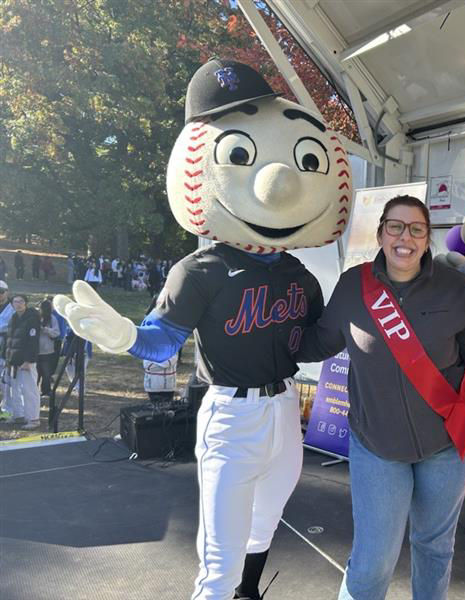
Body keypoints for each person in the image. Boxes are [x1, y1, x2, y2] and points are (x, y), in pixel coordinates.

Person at [54, 59, 356, 600]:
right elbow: (163, 339)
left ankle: (248, 593)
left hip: (285, 410)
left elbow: (309, 343)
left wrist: (355, 315)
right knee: (218, 557)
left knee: (265, 525)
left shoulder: (297, 272)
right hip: (231, 415)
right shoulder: (200, 268)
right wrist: (126, 337)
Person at [295, 195, 465, 600]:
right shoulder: (353, 285)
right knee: (373, 559)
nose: (406, 237)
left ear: (427, 238)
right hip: (377, 446)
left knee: (434, 549)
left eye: (417, 228)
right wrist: (271, 338)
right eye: (396, 226)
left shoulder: (454, 289)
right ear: (381, 233)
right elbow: (318, 342)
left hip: (447, 445)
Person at [4, 294, 42, 429]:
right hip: (14, 360)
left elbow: (33, 342)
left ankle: (34, 419)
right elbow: (10, 341)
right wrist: (9, 359)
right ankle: (18, 415)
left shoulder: (32, 319)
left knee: (29, 389)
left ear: (25, 303)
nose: (18, 304)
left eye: (21, 301)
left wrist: (28, 361)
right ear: (12, 304)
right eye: (15, 301)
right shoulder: (14, 318)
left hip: (27, 361)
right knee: (14, 389)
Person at [37, 299, 60, 398]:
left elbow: (56, 332)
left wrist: (45, 329)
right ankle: (33, 390)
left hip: (47, 351)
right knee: (35, 374)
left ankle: (46, 391)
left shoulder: (52, 319)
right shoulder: (35, 318)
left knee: (46, 373)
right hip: (35, 351)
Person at [0, 280, 13, 420]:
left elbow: (12, 327)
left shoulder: (12, 308)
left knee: (5, 382)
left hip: (6, 350)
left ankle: (7, 410)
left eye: (1, 292)